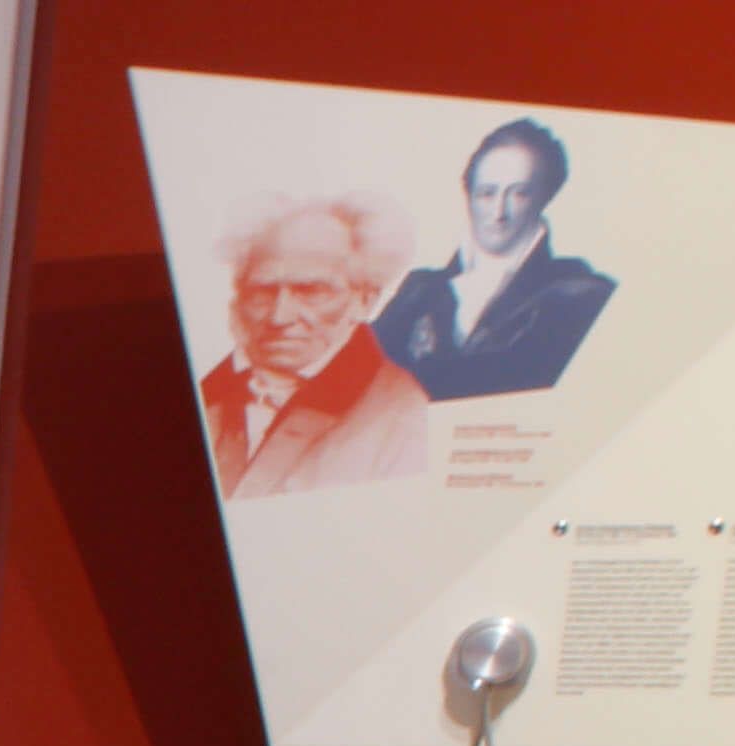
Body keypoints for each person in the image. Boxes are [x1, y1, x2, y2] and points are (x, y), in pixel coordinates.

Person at [198, 197, 435, 496]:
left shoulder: (404, 418)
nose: (279, 316)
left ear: (365, 300)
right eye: (263, 291)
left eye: (311, 291)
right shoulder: (208, 394)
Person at [375, 118, 614, 399]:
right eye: (487, 194)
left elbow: (519, 383)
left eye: (519, 194)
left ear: (544, 198)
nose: (499, 212)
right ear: (470, 196)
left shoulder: (577, 294)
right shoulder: (421, 290)